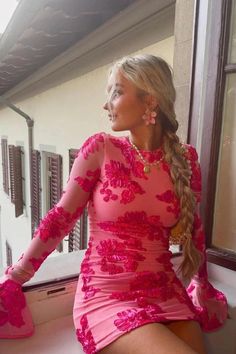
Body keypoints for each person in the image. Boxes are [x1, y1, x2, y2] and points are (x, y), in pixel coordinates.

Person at [0, 54, 228, 354]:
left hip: (166, 292)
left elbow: (194, 228)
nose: (106, 104)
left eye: (117, 92)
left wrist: (201, 284)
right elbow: (60, 218)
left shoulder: (186, 159)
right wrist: (16, 278)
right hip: (107, 296)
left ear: (151, 100)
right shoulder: (101, 148)